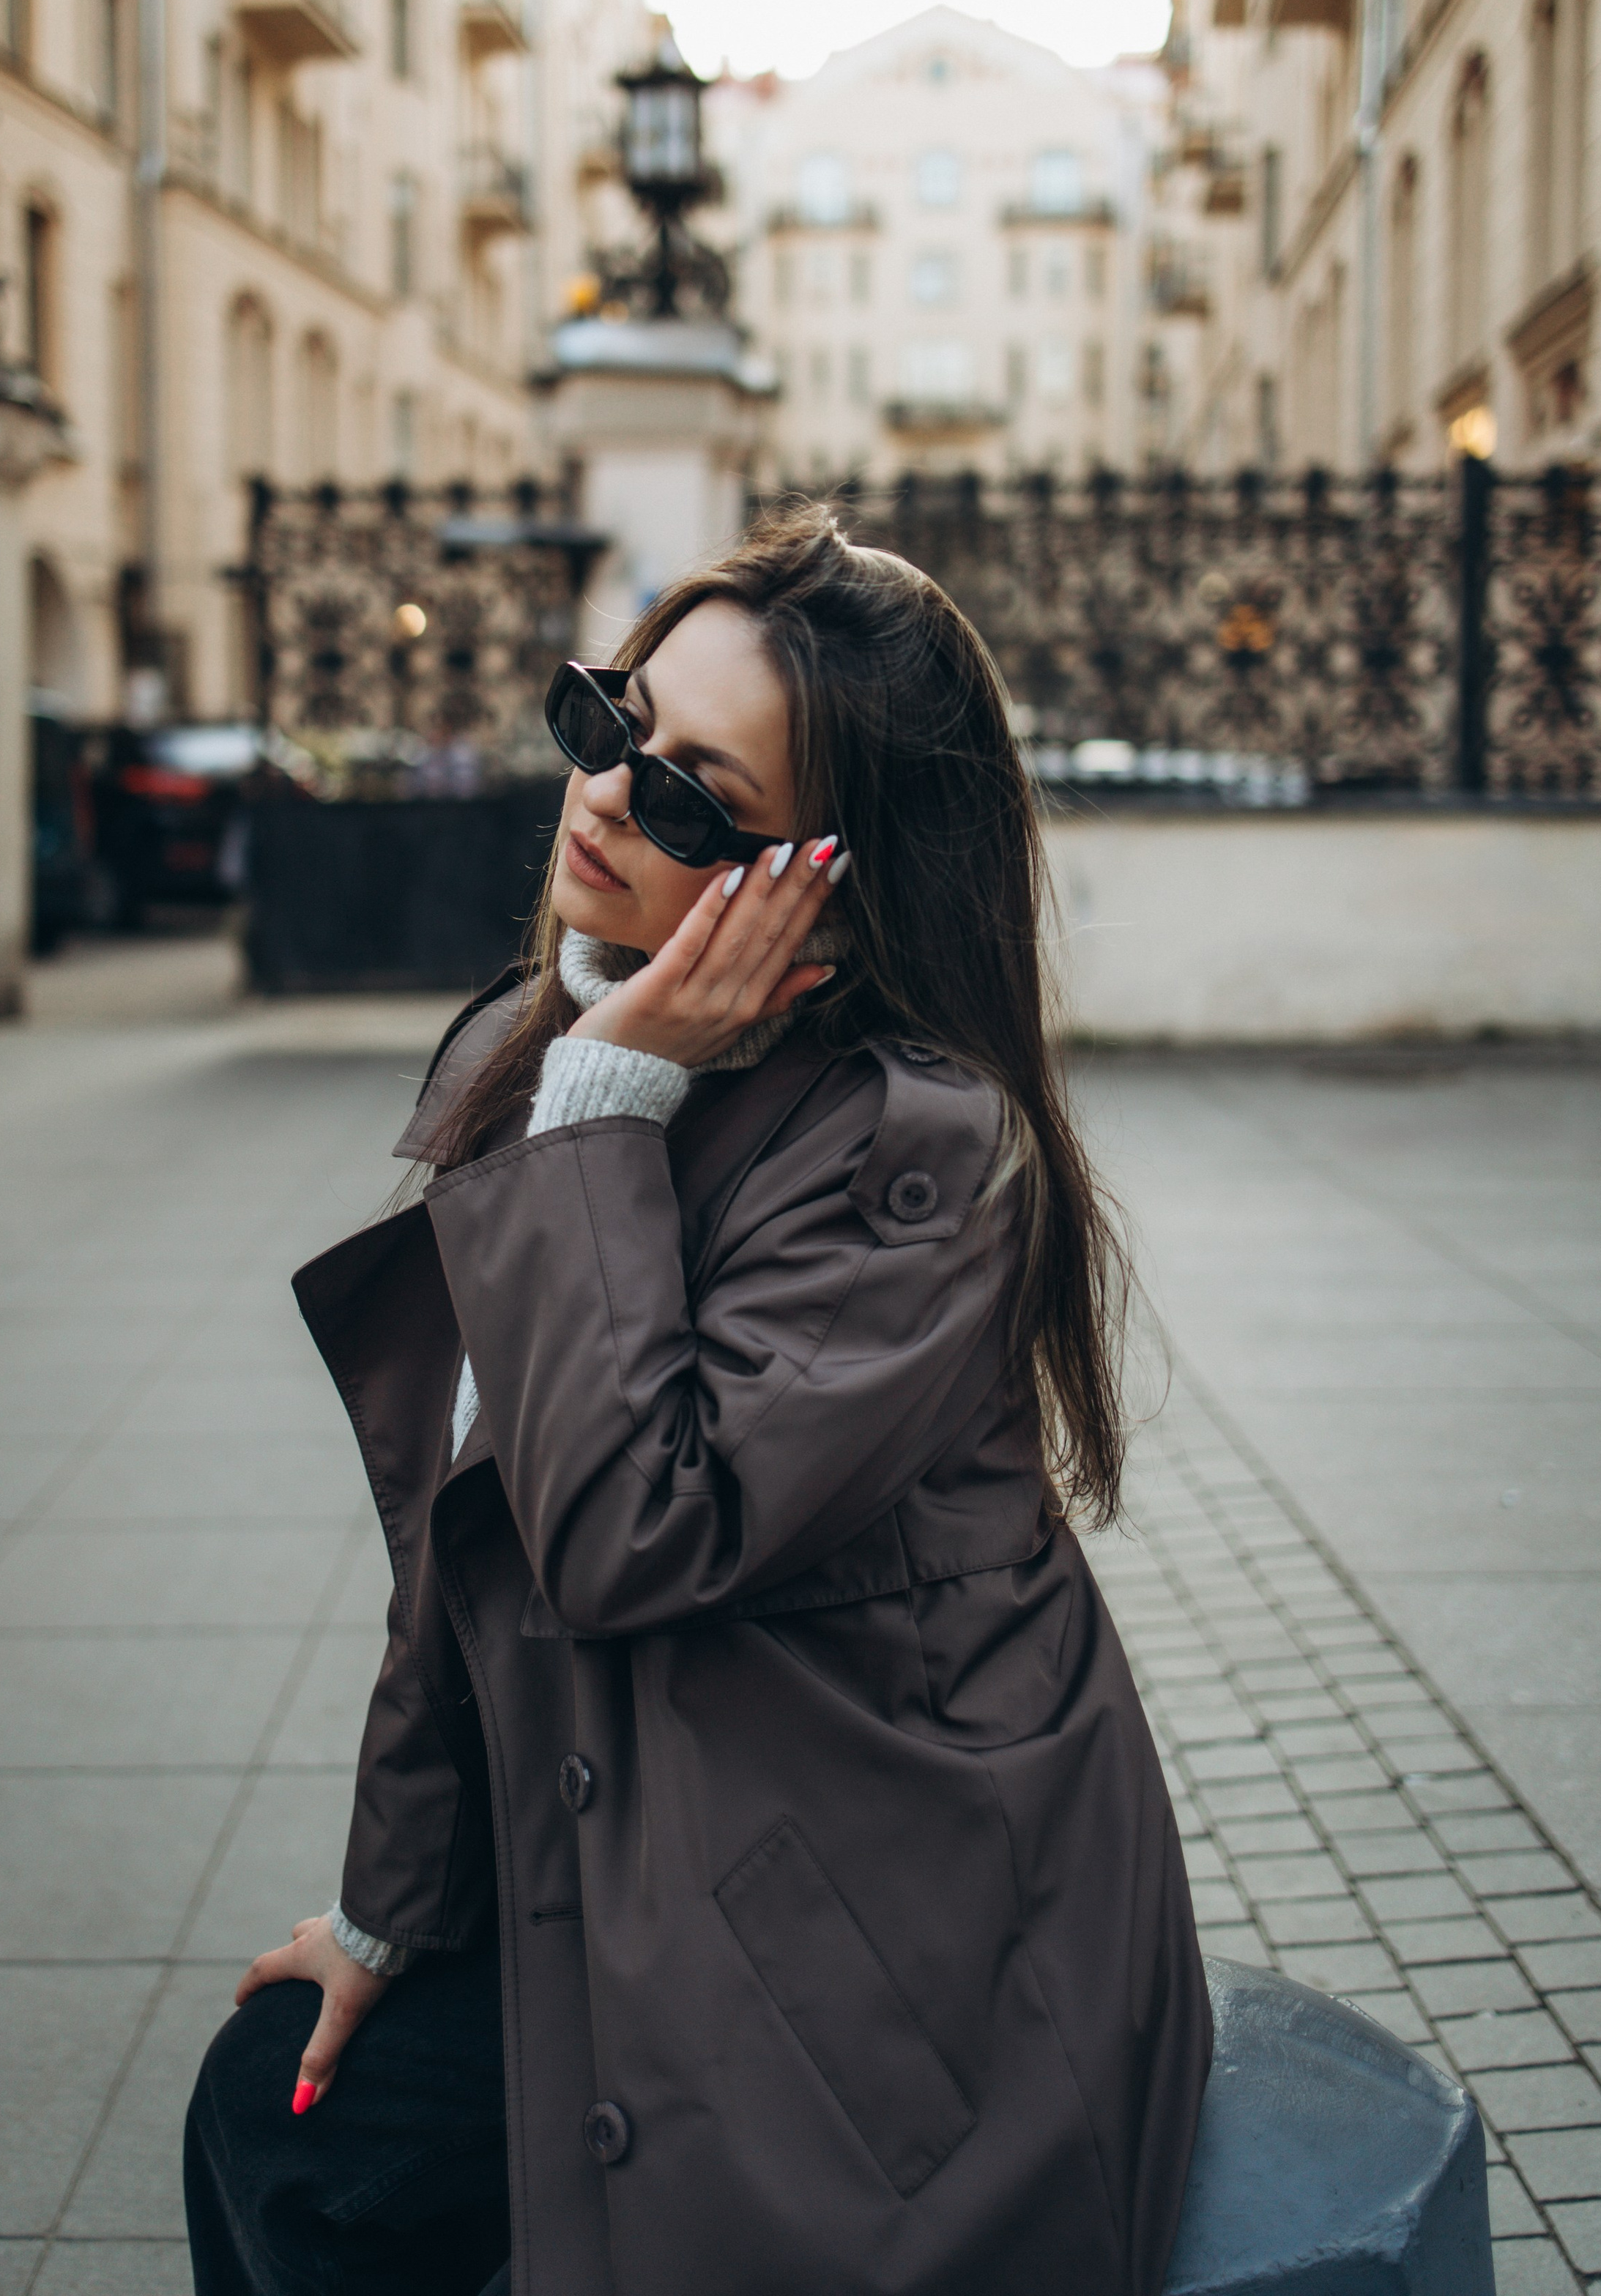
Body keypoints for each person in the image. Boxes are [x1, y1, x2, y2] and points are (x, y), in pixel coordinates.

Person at [185, 503, 1211, 2296]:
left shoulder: (911, 1149)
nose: (599, 795)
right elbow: (472, 1555)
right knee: (277, 2129)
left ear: (834, 871)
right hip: (639, 1827)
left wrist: (601, 1110)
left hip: (880, 1934)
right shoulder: (566, 1056)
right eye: (610, 722)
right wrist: (389, 1912)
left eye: (684, 796)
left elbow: (626, 1537)